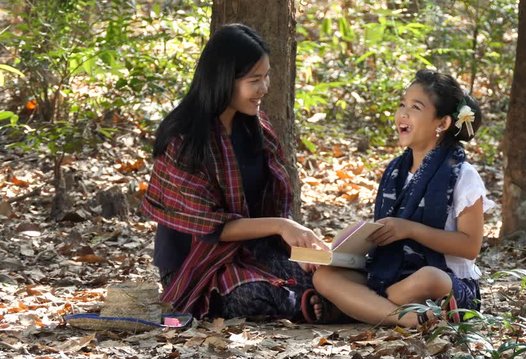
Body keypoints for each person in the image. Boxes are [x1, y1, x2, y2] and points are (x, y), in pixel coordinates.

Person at [141, 23, 326, 320]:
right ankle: (303, 304)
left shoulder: (256, 129)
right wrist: (281, 226)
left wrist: (299, 245)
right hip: (198, 263)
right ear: (225, 79)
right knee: (251, 296)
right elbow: (213, 226)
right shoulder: (184, 139)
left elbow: (271, 205)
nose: (264, 88)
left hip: (254, 250)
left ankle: (309, 299)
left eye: (266, 77)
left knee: (323, 276)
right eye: (255, 80)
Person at [307, 70, 495, 327]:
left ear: (442, 123)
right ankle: (407, 317)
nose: (403, 114)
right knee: (325, 277)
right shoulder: (396, 171)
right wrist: (353, 240)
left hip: (441, 283)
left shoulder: (463, 175)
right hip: (390, 275)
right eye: (402, 105)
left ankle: (364, 307)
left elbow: (470, 246)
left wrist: (410, 230)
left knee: (428, 277)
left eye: (415, 107)